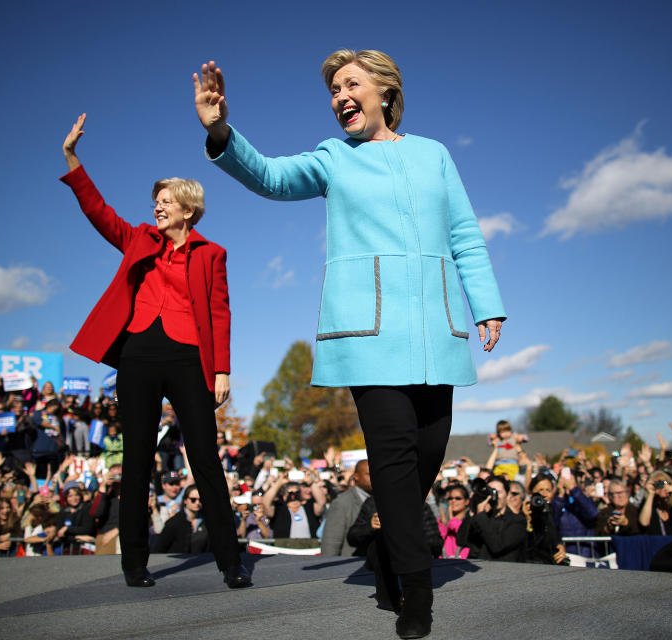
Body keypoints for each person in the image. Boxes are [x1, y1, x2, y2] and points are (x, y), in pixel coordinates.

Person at [195, 49, 505, 638]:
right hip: (369, 333)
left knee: (425, 456)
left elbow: (465, 233)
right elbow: (272, 176)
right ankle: (417, 592)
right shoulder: (333, 157)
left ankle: (387, 555)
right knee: (390, 456)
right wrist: (220, 131)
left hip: (436, 331)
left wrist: (485, 304)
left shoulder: (433, 154)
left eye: (351, 84)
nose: (340, 96)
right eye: (333, 89)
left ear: (385, 92)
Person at [60, 112, 249, 588]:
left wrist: (221, 371)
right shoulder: (138, 239)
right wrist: (73, 160)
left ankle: (231, 562)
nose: (158, 207)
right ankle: (134, 564)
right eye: (156, 201)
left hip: (190, 360)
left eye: (166, 202)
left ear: (188, 209)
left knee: (205, 459)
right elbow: (98, 212)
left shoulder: (212, 254)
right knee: (138, 459)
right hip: (138, 357)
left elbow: (221, 313)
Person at [321, 459, 372, 556]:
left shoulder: (380, 498)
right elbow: (331, 544)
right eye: (369, 474)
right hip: (350, 566)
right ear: (356, 477)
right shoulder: (341, 503)